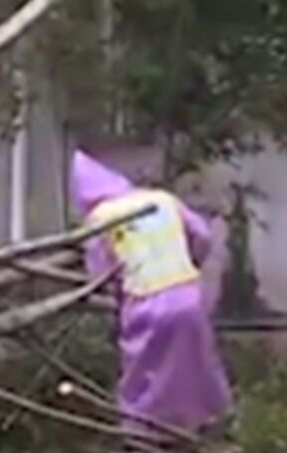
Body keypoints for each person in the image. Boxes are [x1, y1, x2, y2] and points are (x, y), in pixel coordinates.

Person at [71, 150, 233, 437]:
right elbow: (203, 237)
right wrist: (191, 259)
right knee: (197, 363)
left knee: (143, 374)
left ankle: (142, 438)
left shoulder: (100, 219)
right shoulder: (162, 199)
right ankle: (207, 424)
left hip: (145, 302)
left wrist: (116, 295)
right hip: (187, 295)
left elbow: (100, 275)